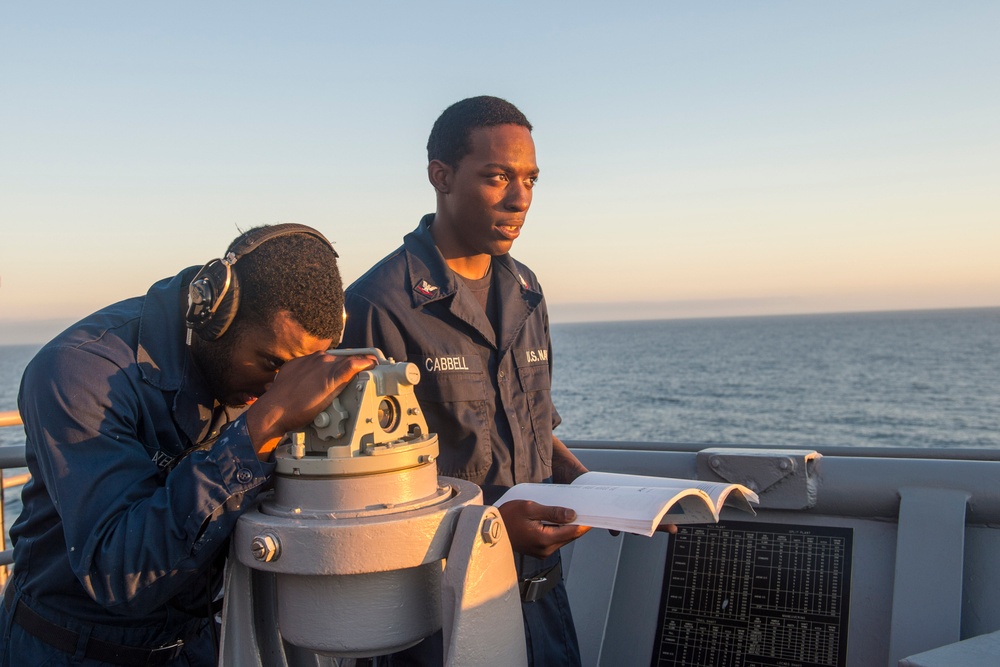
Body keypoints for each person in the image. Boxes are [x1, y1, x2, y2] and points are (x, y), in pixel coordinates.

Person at [0, 224, 375, 666]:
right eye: (273, 364)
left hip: (197, 643)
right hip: (70, 649)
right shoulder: (79, 371)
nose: (282, 386)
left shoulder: (250, 378)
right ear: (218, 317)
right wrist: (264, 424)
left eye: (299, 372)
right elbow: (121, 573)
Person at [340, 96, 591, 666]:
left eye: (530, 179)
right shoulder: (378, 306)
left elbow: (532, 429)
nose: (520, 198)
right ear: (441, 176)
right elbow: (359, 498)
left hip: (542, 602)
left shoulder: (526, 291)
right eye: (497, 177)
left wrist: (597, 490)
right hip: (441, 619)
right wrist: (490, 526)